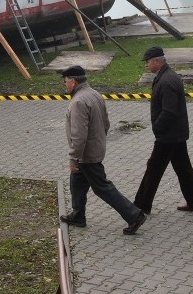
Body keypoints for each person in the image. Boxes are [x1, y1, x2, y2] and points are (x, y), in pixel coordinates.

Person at [59, 65, 147, 235]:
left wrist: (73, 157)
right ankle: (78, 215)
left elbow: (78, 135)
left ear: (73, 81)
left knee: (102, 187)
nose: (65, 85)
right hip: (94, 148)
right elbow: (106, 123)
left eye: (66, 82)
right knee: (76, 182)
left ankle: (134, 215)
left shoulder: (78, 101)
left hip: (86, 154)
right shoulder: (94, 94)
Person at [133, 46, 193, 214]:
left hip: (169, 136)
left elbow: (169, 110)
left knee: (153, 169)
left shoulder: (166, 81)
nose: (146, 65)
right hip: (176, 134)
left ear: (157, 61)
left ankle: (141, 206)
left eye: (148, 62)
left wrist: (158, 127)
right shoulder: (167, 76)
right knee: (183, 169)